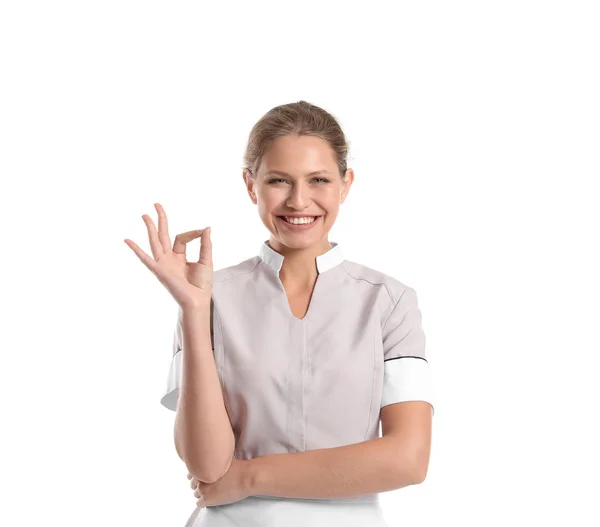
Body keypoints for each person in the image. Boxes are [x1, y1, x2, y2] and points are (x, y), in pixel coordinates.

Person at [125, 101, 434, 526]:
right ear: (251, 186)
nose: (299, 200)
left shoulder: (390, 302)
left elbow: (408, 459)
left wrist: (248, 477)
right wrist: (194, 312)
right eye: (278, 181)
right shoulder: (209, 296)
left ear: (346, 185)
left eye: (319, 180)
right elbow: (208, 468)